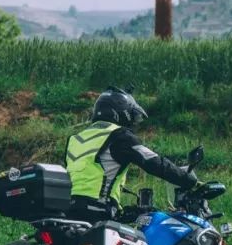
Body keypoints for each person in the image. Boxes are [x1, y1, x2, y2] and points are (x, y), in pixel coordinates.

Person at [65, 86, 197, 222]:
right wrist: (188, 180)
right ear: (121, 112)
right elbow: (153, 162)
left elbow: (90, 178)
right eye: (132, 116)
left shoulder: (75, 139)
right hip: (98, 212)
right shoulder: (119, 135)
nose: (133, 122)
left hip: (68, 211)